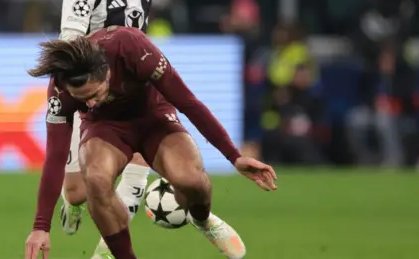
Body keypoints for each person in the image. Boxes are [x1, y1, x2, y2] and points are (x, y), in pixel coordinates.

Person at [51, 0, 271, 255]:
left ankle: (183, 226)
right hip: (97, 92)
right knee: (79, 190)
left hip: (136, 87)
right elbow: (69, 47)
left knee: (145, 162)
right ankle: (74, 204)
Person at [25, 26, 278, 259]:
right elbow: (56, 155)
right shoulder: (60, 90)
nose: (89, 104)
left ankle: (202, 220)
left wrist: (234, 156)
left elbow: (188, 103)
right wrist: (41, 227)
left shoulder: (133, 48)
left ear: (108, 72)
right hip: (105, 129)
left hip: (154, 118)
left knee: (190, 180)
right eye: (82, 99)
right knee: (95, 180)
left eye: (93, 94)